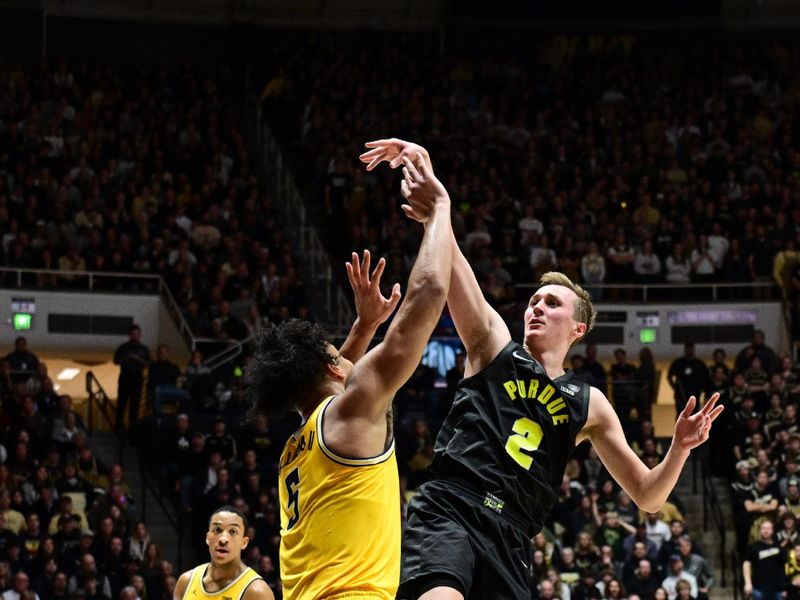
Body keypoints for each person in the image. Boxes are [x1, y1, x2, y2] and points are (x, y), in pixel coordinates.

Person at [361, 138, 724, 600]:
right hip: (449, 508)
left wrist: (679, 447)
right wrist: (430, 185)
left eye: (551, 303)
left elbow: (649, 496)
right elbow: (453, 266)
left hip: (511, 535)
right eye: (534, 300)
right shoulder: (493, 345)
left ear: (577, 328)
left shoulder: (589, 403)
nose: (536, 307)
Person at [245, 153, 453, 600]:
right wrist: (439, 212)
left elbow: (332, 376)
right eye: (333, 352)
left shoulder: (294, 449)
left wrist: (363, 327)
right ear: (329, 369)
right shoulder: (350, 409)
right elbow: (431, 293)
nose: (343, 355)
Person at [173, 506, 273, 600]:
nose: (223, 539)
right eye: (217, 530)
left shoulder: (258, 592)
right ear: (208, 538)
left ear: (244, 542)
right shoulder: (185, 582)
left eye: (233, 531)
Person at [113, 325, 151, 430]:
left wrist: (137, 359)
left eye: (137, 334)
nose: (135, 336)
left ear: (140, 335)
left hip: (137, 380)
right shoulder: (123, 348)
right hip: (125, 379)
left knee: (135, 406)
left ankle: (133, 428)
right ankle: (118, 427)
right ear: (130, 335)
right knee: (121, 404)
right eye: (133, 334)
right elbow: (116, 361)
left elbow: (149, 363)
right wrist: (127, 357)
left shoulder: (144, 349)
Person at [667, 341, 711, 417]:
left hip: (695, 394)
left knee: (695, 414)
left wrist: (702, 389)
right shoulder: (678, 363)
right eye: (688, 348)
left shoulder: (699, 363)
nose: (689, 350)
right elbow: (670, 376)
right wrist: (675, 387)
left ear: (694, 349)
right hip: (681, 395)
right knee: (681, 414)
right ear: (685, 349)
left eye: (691, 348)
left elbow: (706, 379)